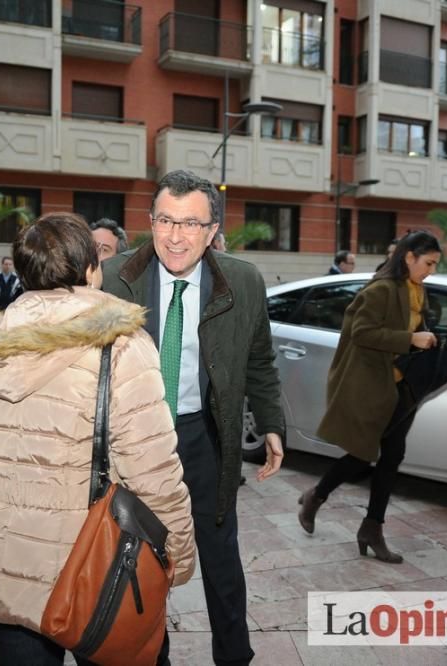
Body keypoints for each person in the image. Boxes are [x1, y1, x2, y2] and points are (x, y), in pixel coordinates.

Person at [0, 212, 196, 665]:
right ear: (92, 269)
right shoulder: (122, 343)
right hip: (92, 560)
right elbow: (152, 467)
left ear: (23, 273)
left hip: (8, 557)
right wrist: (176, 552)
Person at [103, 170, 284, 666]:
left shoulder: (242, 281)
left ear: (211, 231)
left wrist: (271, 421)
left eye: (190, 224)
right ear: (150, 222)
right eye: (165, 220)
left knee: (221, 556)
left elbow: (260, 358)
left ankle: (233, 656)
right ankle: (150, 655)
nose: (175, 236)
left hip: (205, 436)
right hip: (136, 442)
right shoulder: (116, 278)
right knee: (140, 556)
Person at [297, 230, 442, 564]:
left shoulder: (417, 290)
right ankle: (316, 497)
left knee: (391, 459)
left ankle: (371, 528)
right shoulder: (380, 290)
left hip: (402, 388)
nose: (432, 269)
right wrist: (411, 339)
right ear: (409, 257)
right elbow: (361, 333)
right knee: (362, 455)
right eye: (429, 262)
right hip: (373, 385)